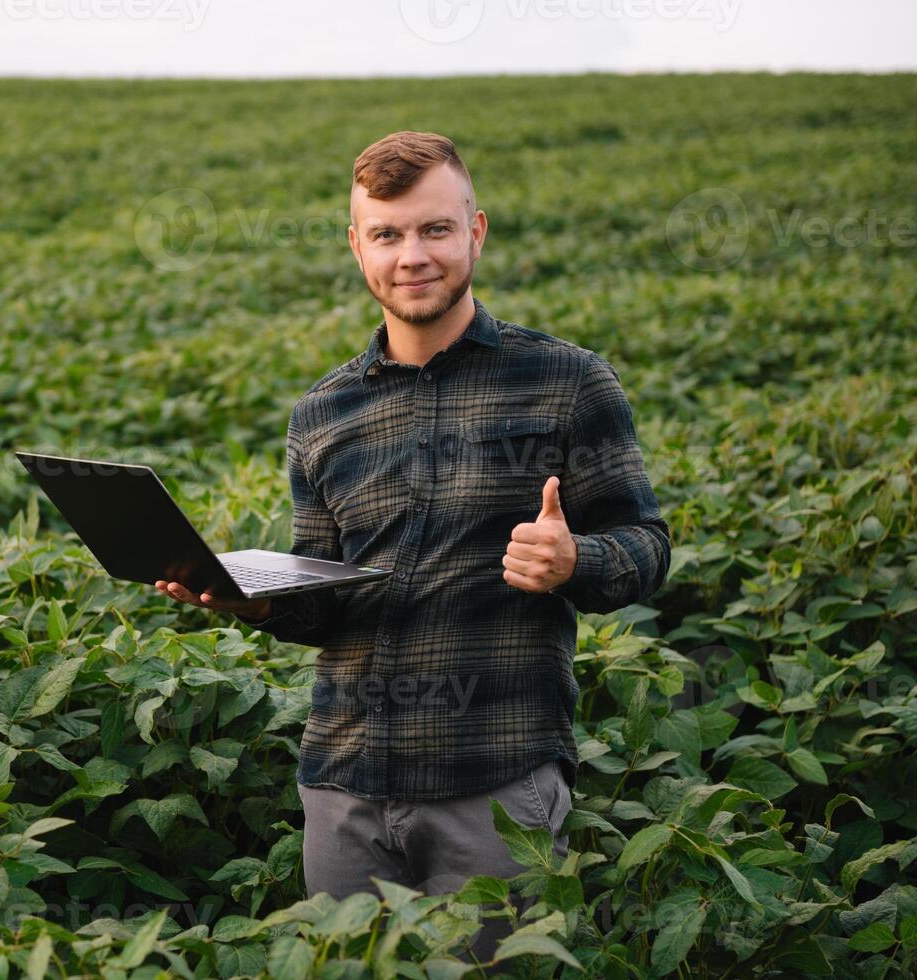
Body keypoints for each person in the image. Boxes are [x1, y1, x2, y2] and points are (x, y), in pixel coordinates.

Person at [155, 130, 671, 968]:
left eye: (434, 229)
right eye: (388, 234)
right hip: (342, 792)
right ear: (358, 245)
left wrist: (579, 561)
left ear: (476, 231)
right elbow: (324, 602)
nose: (412, 256)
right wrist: (247, 599)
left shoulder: (569, 383)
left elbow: (646, 544)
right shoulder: (322, 414)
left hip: (494, 786)